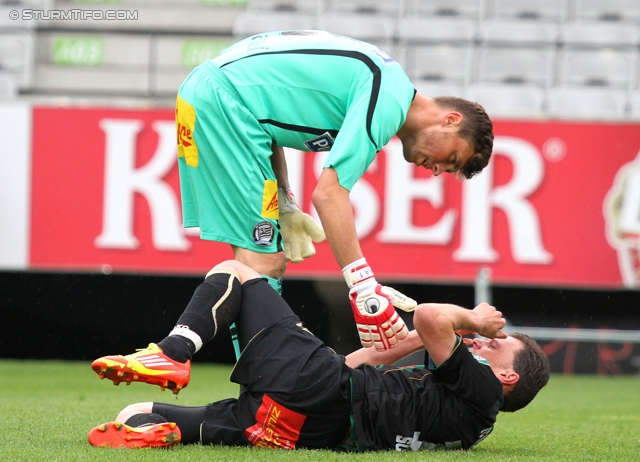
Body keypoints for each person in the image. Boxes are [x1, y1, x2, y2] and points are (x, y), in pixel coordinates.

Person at [176, 30, 495, 351]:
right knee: (261, 262)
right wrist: (363, 285)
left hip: (220, 98)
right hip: (223, 101)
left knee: (260, 260)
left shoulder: (385, 86)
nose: (438, 170)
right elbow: (328, 194)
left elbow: (266, 125)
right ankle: (249, 384)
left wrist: (284, 199)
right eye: (452, 158)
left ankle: (256, 382)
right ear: (450, 120)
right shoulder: (389, 100)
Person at [88, 260, 549, 451]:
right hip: (305, 428)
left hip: (322, 391)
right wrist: (408, 344)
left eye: (499, 344)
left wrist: (474, 318)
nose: (488, 341)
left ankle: (172, 353)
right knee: (135, 411)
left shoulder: (484, 390)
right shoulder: (468, 416)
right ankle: (159, 434)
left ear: (508, 377)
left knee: (236, 273)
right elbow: (354, 365)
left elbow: (430, 315)